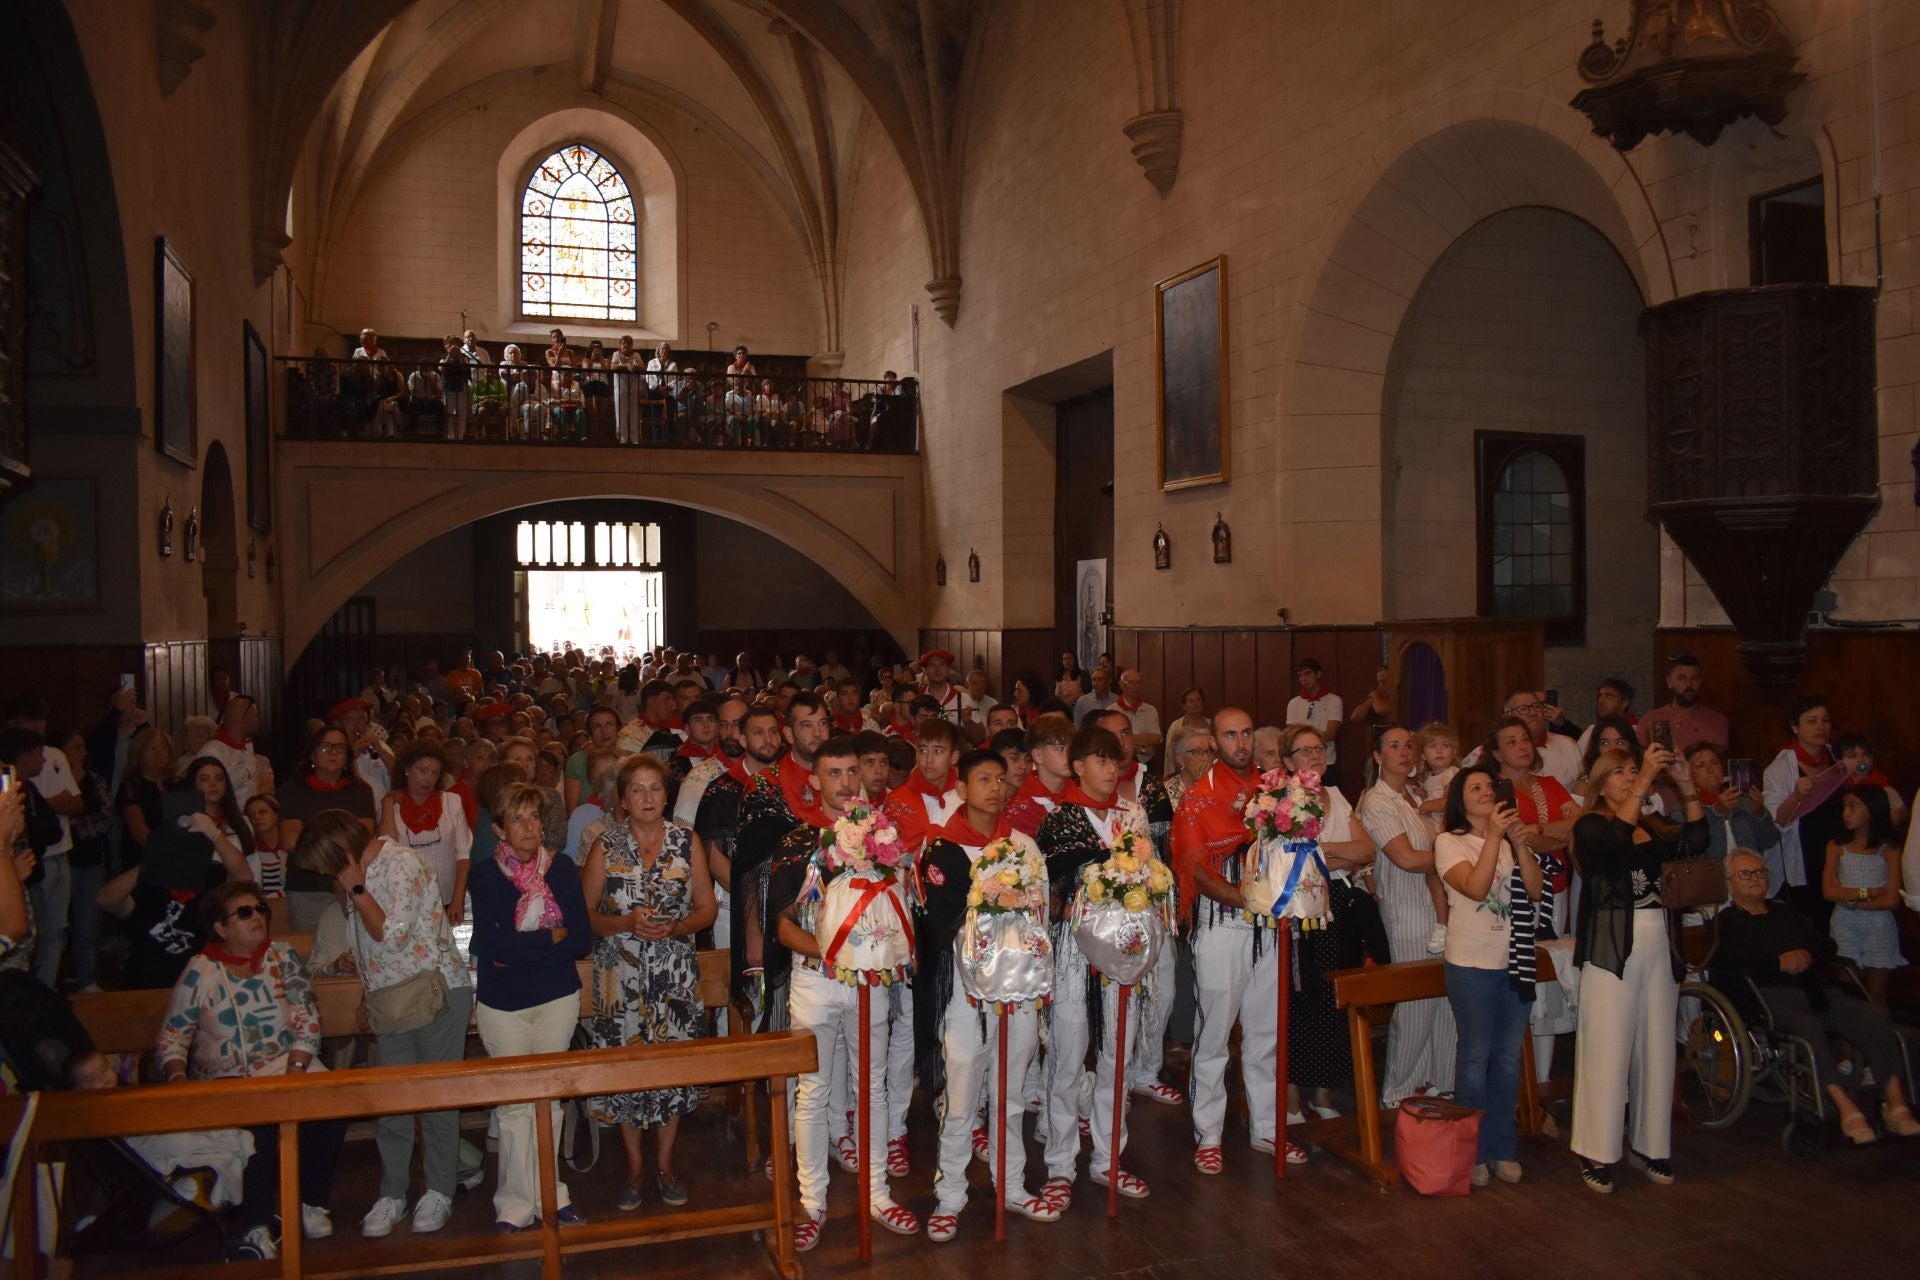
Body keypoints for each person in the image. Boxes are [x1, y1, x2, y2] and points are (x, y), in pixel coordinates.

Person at [765, 737, 919, 1250]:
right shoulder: (798, 841)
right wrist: (834, 956)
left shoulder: (885, 841)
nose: (847, 783)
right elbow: (783, 927)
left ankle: (876, 1192)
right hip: (815, 979)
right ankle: (812, 1202)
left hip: (870, 982)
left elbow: (898, 914)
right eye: (835, 774)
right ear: (814, 781)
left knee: (870, 1088)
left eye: (854, 772)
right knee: (813, 1093)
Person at [292, 810, 475, 1238]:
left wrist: (356, 887)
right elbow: (367, 951)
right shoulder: (356, 879)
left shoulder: (400, 863)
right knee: (392, 1101)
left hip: (435, 992)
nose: (324, 875)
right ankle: (392, 1193)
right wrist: (365, 994)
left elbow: (391, 935)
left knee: (435, 1098)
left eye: (324, 865)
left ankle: (440, 1191)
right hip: (391, 1001)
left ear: (339, 854)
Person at [155, 880, 347, 1260]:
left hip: (286, 1062)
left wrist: (295, 1070)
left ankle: (309, 1202)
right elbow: (173, 1035)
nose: (257, 916)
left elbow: (307, 1017)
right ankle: (256, 1226)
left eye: (260, 909)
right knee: (256, 1121)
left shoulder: (282, 956)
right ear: (220, 928)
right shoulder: (201, 970)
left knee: (331, 1102)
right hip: (227, 1077)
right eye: (244, 912)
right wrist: (177, 1078)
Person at [915, 749, 1062, 1239]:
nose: (996, 787)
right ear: (962, 787)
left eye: (1001, 778)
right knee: (961, 1098)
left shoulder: (1023, 844)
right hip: (967, 991)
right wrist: (995, 911)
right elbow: (941, 923)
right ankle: (950, 1194)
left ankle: (1013, 1185)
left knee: (1011, 1094)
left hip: (1019, 986)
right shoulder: (942, 848)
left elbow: (1041, 913)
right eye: (983, 779)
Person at [1569, 743, 1707, 1193]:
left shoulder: (1652, 824)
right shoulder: (1589, 825)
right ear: (1601, 783)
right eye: (1622, 772)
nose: (1631, 777)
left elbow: (1699, 841)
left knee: (1657, 1047)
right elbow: (1612, 845)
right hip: (1612, 947)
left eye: (1635, 771)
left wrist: (1685, 785)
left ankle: (1651, 1143)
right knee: (1606, 1048)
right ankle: (1597, 1149)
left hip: (1658, 944)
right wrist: (1648, 778)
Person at [582, 756, 716, 1210]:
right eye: (636, 790)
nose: (647, 798)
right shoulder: (606, 846)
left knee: (670, 1070)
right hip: (619, 979)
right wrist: (623, 923)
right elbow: (585, 918)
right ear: (622, 799)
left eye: (655, 788)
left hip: (673, 976)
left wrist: (676, 928)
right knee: (627, 1071)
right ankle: (635, 1167)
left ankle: (665, 1164)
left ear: (666, 795)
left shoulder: (685, 841)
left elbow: (706, 908)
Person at [1712, 849, 1919, 1143]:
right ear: (1729, 884)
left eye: (1760, 872)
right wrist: (1777, 963)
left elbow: (1826, 946)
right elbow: (1728, 961)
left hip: (1813, 990)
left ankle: (1895, 1102)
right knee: (1806, 1025)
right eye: (1745, 874)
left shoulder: (1785, 912)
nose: (1756, 878)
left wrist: (1808, 955)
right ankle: (1843, 1104)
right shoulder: (1727, 922)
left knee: (1873, 1014)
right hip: (1766, 997)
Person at [1174, 706, 1296, 1171]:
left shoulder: (1279, 789)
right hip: (1223, 922)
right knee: (1215, 1034)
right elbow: (1195, 868)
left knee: (1266, 1031)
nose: (1241, 743)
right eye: (1230, 735)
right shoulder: (1198, 798)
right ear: (1216, 741)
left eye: (1247, 733)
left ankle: (1267, 1128)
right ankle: (1209, 1133)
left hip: (1270, 924)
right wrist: (1248, 899)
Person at [468, 780, 593, 1232]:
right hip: (504, 1004)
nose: (528, 826)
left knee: (550, 1100)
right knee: (516, 1105)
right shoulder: (483, 876)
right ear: (499, 829)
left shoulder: (560, 870)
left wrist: (530, 946)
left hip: (557, 998)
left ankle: (552, 1196)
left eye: (534, 817)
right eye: (517, 818)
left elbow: (580, 937)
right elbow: (497, 949)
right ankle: (515, 1204)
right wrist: (549, 939)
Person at [1036, 724, 1149, 1203]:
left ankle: (1109, 1159)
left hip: (1122, 950)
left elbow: (1151, 877)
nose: (1110, 769)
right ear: (1077, 766)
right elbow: (1050, 895)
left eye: (1115, 760)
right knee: (1066, 1059)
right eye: (1100, 760)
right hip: (1071, 953)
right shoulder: (1059, 822)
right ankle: (1060, 1165)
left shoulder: (1133, 815)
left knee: (1116, 1058)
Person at [1434, 763, 1548, 1187]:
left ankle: (1502, 1146)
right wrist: (1496, 838)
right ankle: (1472, 1150)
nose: (1485, 791)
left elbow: (1536, 891)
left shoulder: (1508, 838)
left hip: (1514, 961)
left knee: (1505, 1060)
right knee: (1474, 1059)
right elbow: (1476, 888)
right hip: (1472, 965)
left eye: (1489, 786)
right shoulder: (1449, 841)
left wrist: (1519, 846)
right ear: (1460, 800)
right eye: (1474, 787)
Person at [1275, 725, 1374, 1121]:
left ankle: (1325, 1093)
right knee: (1298, 1002)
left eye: (1319, 748)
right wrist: (1337, 857)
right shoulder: (1279, 801)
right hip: (1301, 910)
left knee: (1336, 999)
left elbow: (1367, 850)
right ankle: (1292, 1097)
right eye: (1304, 751)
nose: (1315, 756)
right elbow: (1284, 860)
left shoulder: (1336, 795)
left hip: (1340, 905)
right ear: (1286, 761)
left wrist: (1324, 850)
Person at [1357, 724, 1457, 1108]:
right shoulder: (1377, 801)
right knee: (1416, 1003)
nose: (1404, 752)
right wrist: (1459, 857)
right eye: (1393, 746)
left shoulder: (1416, 797)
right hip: (1405, 909)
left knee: (1445, 1000)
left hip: (1436, 908)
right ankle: (1399, 1091)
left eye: (1408, 745)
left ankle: (1441, 1081)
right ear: (1378, 757)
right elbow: (1407, 858)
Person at [277, 725, 380, 931]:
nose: (333, 752)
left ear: (347, 757)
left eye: (340, 748)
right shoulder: (292, 790)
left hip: (355, 883)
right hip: (308, 886)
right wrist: (338, 857)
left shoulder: (360, 791)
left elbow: (364, 838)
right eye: (325, 747)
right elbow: (290, 841)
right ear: (312, 756)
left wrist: (322, 851)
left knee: (357, 944)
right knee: (313, 949)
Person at [1764, 696, 1846, 925]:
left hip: (1838, 851)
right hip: (1803, 854)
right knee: (1811, 921)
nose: (1821, 727)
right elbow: (1775, 820)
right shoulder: (1781, 765)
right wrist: (1796, 796)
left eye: (1825, 720)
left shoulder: (1837, 757)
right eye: (1812, 721)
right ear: (1795, 727)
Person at [1823, 786, 1905, 1004]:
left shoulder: (1889, 848)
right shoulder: (1836, 846)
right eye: (1844, 807)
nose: (1846, 813)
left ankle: (1881, 1036)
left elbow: (1891, 900)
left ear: (1872, 810)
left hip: (1878, 926)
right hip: (1844, 924)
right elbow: (1829, 891)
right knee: (1849, 995)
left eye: (1853, 807)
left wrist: (1850, 901)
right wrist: (1867, 893)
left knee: (1876, 996)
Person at [377, 742, 472, 922]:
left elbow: (463, 855)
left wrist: (458, 899)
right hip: (407, 900)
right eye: (423, 770)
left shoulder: (452, 802)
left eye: (434, 773)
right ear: (407, 770)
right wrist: (387, 803)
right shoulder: (391, 807)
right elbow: (387, 850)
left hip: (448, 897)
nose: (428, 778)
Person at [57, 729, 113, 992]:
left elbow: (105, 818)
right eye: (75, 747)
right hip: (60, 859)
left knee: (87, 922)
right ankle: (58, 975)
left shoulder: (93, 781)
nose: (82, 753)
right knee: (57, 924)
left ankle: (87, 978)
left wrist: (70, 823)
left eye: (83, 747)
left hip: (90, 860)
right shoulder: (52, 782)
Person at [1683, 742, 1781, 881]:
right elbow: (1689, 851)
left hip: (1750, 881)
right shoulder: (1683, 809)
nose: (1710, 769)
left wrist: (1760, 812)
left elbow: (1769, 841)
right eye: (1701, 765)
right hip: (1710, 884)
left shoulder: (1743, 800)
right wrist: (1716, 812)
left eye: (1715, 763)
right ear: (1688, 774)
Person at [1636, 653, 1729, 755]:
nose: (1689, 685)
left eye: (1694, 679)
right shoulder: (1650, 719)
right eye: (1682, 678)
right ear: (1669, 681)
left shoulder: (1716, 721)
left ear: (1701, 681)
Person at [115, 725, 176, 870]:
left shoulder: (178, 783)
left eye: (163, 748)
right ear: (139, 754)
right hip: (142, 859)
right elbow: (138, 830)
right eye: (151, 749)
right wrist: (166, 852)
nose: (158, 753)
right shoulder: (131, 786)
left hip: (177, 858)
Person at [200, 694, 267, 809]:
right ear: (242, 718)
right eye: (255, 716)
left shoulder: (247, 747)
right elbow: (203, 796)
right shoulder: (213, 752)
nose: (257, 721)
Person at [1284, 660, 1345, 786]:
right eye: (1300, 675)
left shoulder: (1334, 700)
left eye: (1308, 674)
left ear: (1318, 675)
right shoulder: (1294, 703)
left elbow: (1330, 734)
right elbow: (1291, 735)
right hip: (1302, 764)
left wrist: (1304, 741)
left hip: (1326, 763)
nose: (1303, 679)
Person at [1163, 719, 1213, 811]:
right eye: (1197, 752)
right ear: (1180, 759)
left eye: (1208, 751)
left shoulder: (1215, 785)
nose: (1206, 758)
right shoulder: (1165, 793)